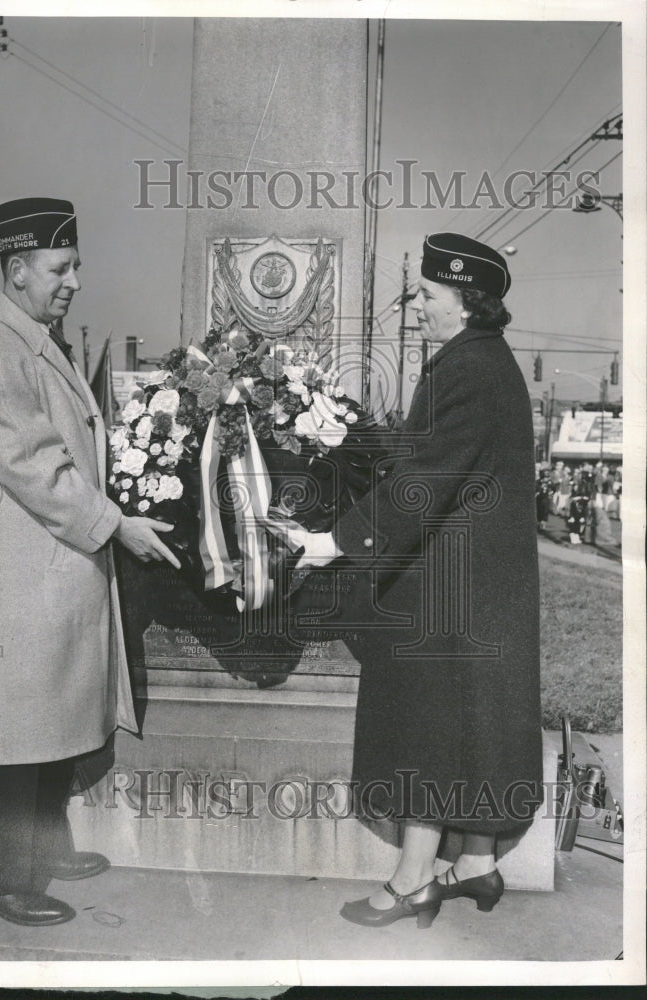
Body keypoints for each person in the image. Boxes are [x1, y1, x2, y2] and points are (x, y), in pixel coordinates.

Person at [288, 233, 543, 929]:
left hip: (450, 586)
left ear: (464, 303)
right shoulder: (490, 363)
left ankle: (411, 882)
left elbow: (423, 480)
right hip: (483, 584)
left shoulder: (464, 368)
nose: (418, 307)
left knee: (427, 717)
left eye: (428, 295)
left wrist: (332, 540)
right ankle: (476, 864)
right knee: (471, 723)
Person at [0, 197, 180, 928]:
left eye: (75, 265)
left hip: (44, 570)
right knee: (9, 731)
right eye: (60, 267)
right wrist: (117, 525)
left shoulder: (31, 340)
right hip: (17, 576)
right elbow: (37, 466)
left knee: (39, 722)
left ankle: (38, 852)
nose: (75, 279)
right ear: (17, 272)